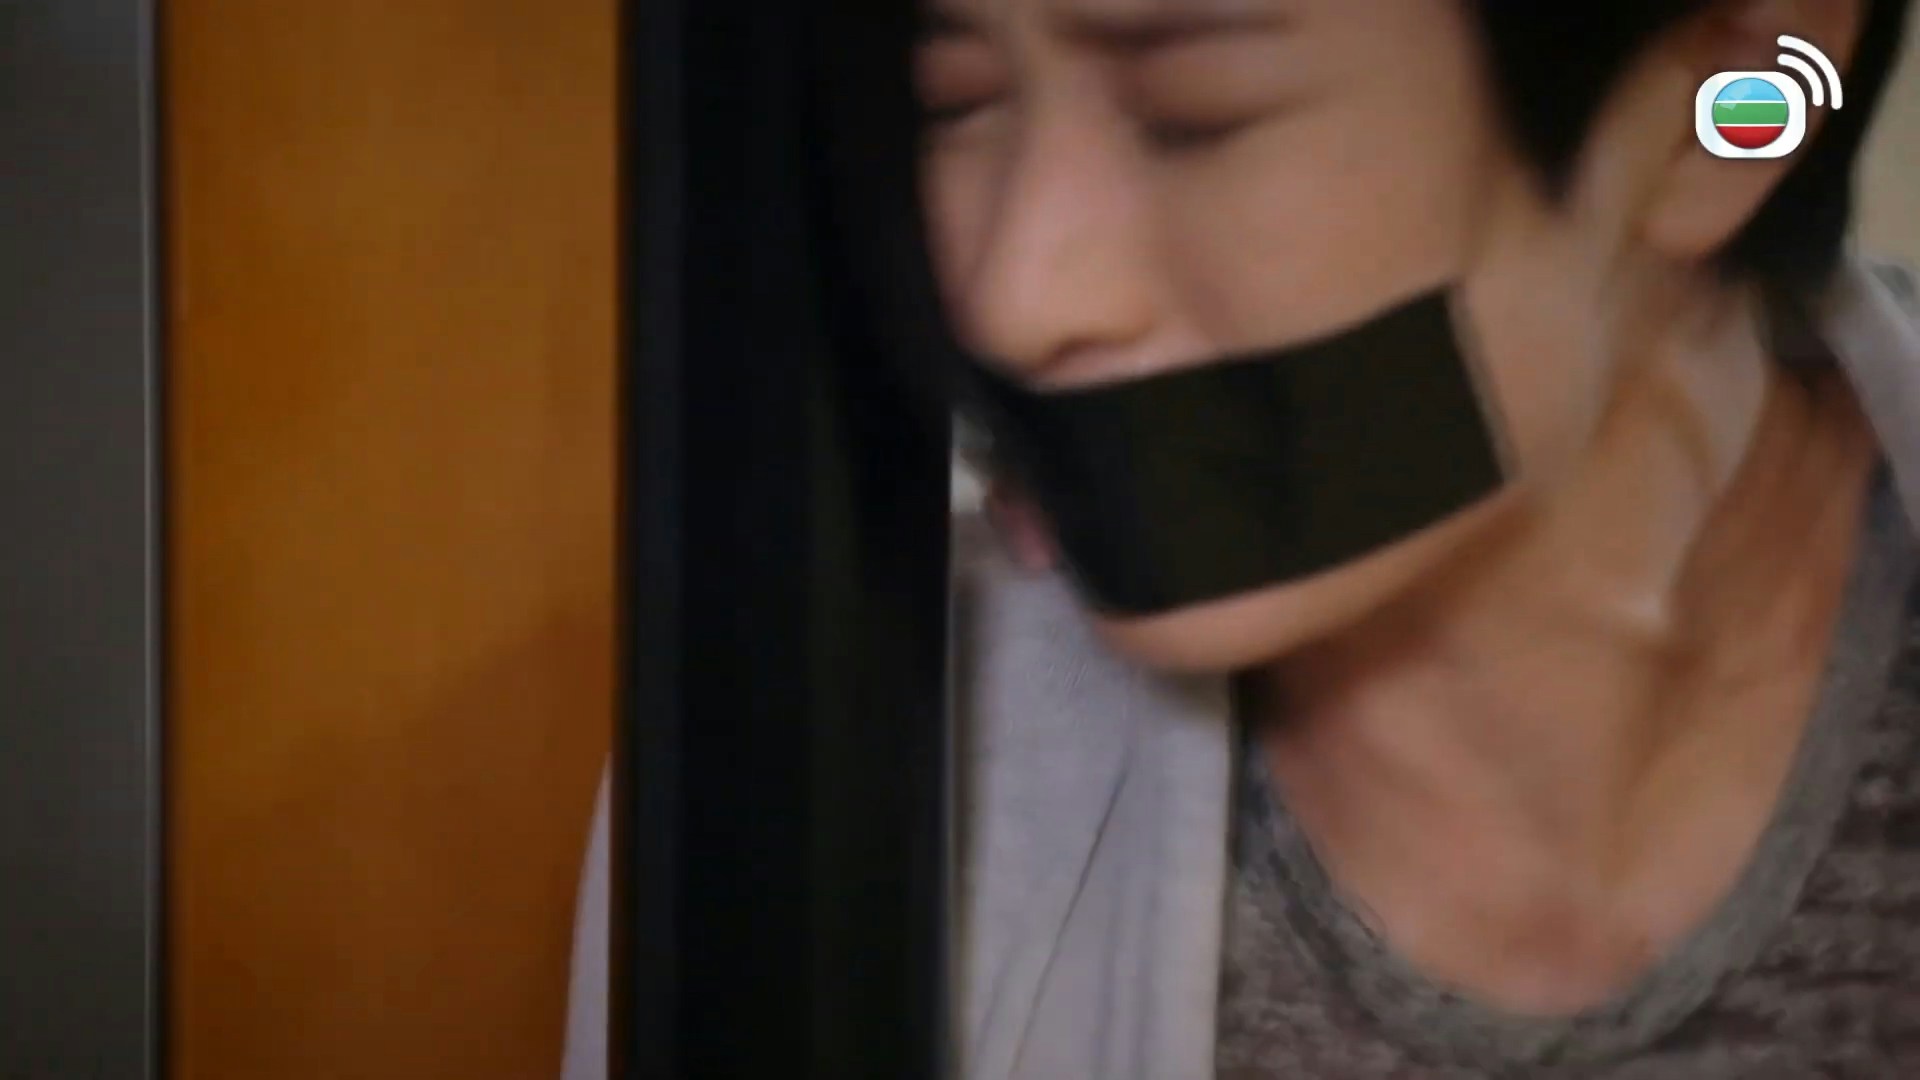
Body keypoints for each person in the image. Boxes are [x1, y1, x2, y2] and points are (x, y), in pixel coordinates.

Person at [567, 0, 1920, 1075]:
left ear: (1727, 102)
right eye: (955, 102)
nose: (1018, 294)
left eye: (1195, 114)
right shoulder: (796, 764)